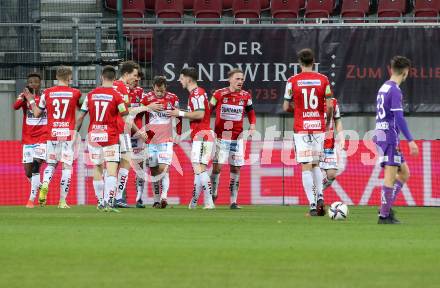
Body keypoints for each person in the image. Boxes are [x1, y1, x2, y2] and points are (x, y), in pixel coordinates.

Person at [76, 66, 145, 212]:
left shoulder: (90, 95)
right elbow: (126, 117)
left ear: (101, 77)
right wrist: (139, 131)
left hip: (93, 136)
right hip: (110, 136)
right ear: (114, 79)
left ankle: (100, 201)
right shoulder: (117, 95)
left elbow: (81, 116)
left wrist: (74, 134)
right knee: (112, 169)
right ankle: (110, 200)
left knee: (98, 167)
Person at [283, 48, 333, 216]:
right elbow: (330, 104)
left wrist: (298, 111)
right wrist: (326, 121)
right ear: (313, 62)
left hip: (301, 127)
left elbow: (285, 106)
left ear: (299, 63)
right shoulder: (323, 79)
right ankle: (320, 195)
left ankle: (312, 205)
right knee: (316, 164)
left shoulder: (292, 81)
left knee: (305, 165)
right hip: (318, 126)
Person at [25, 66, 82, 208]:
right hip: (67, 134)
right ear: (69, 78)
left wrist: (31, 100)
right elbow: (82, 109)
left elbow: (37, 113)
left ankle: (45, 184)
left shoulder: (47, 93)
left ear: (56, 78)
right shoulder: (75, 93)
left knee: (51, 164)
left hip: (52, 134)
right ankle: (62, 201)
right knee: (67, 167)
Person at [374, 56, 418, 224]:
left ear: (391, 69)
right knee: (390, 175)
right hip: (389, 136)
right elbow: (399, 118)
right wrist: (411, 140)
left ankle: (385, 208)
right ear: (405, 72)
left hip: (383, 134)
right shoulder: (395, 90)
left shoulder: (384, 87)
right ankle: (384, 216)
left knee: (404, 173)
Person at [167, 67, 215, 209]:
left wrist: (180, 113)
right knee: (199, 170)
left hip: (202, 134)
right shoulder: (197, 93)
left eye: (181, 78)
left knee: (198, 168)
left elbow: (199, 114)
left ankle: (209, 202)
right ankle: (193, 202)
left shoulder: (196, 93)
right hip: (204, 134)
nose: (180, 81)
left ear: (188, 78)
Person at [210, 68, 256, 209]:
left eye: (242, 79)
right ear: (229, 79)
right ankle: (214, 193)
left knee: (236, 169)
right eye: (237, 79)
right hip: (221, 138)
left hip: (237, 138)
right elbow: (208, 110)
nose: (240, 81)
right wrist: (206, 127)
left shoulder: (246, 96)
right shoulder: (218, 94)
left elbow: (251, 112)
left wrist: (253, 124)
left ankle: (233, 201)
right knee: (217, 168)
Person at [13, 73, 54, 208]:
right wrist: (24, 98)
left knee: (36, 166)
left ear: (40, 83)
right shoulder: (24, 96)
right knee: (28, 172)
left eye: (36, 82)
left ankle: (31, 200)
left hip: (43, 136)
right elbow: (15, 106)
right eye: (31, 82)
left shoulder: (45, 96)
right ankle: (42, 187)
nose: (33, 84)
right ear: (28, 84)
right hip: (28, 138)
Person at [141, 76, 181, 208]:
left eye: (162, 91)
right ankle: (156, 200)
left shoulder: (173, 98)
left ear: (165, 88)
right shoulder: (147, 98)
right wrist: (147, 107)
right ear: (153, 88)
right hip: (151, 139)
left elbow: (178, 116)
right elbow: (136, 113)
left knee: (163, 168)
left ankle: (164, 196)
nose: (159, 93)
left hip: (166, 138)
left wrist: (178, 134)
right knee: (153, 170)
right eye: (157, 91)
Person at [113, 61, 140, 208]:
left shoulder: (111, 85)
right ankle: (118, 197)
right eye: (134, 75)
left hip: (108, 131)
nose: (135, 79)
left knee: (110, 165)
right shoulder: (122, 88)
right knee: (126, 162)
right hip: (121, 130)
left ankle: (108, 197)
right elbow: (126, 114)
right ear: (126, 74)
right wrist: (139, 131)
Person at [319, 97, 345, 204]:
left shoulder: (333, 102)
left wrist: (342, 137)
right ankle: (316, 202)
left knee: (331, 175)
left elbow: (337, 120)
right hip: (315, 145)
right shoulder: (312, 102)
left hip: (329, 144)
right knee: (316, 175)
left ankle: (316, 192)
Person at [128, 71, 147, 208]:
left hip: (138, 134)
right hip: (123, 133)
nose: (137, 81)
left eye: (139, 79)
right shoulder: (120, 91)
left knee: (140, 166)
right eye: (135, 78)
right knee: (119, 165)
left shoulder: (141, 93)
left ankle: (139, 197)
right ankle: (118, 196)